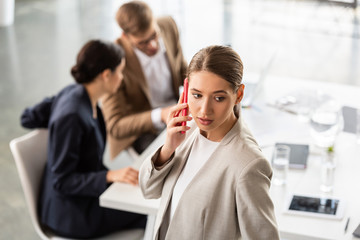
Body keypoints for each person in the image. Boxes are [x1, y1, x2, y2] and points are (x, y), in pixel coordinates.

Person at [139, 45, 280, 240]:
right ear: (186, 89)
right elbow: (148, 190)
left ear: (238, 95)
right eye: (197, 95)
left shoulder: (248, 165)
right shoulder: (186, 130)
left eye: (219, 98)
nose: (204, 110)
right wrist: (168, 148)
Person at [20, 40, 146, 239]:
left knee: (143, 198)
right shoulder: (72, 117)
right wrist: (109, 176)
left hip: (84, 194)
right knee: (149, 212)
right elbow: (62, 181)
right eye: (120, 72)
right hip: (72, 213)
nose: (122, 78)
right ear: (106, 75)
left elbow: (28, 117)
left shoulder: (72, 92)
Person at [101, 0, 187, 158]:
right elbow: (115, 125)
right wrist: (161, 115)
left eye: (154, 35)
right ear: (125, 36)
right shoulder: (111, 59)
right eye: (143, 43)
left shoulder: (168, 25)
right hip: (144, 129)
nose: (153, 45)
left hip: (176, 110)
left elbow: (182, 69)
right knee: (172, 162)